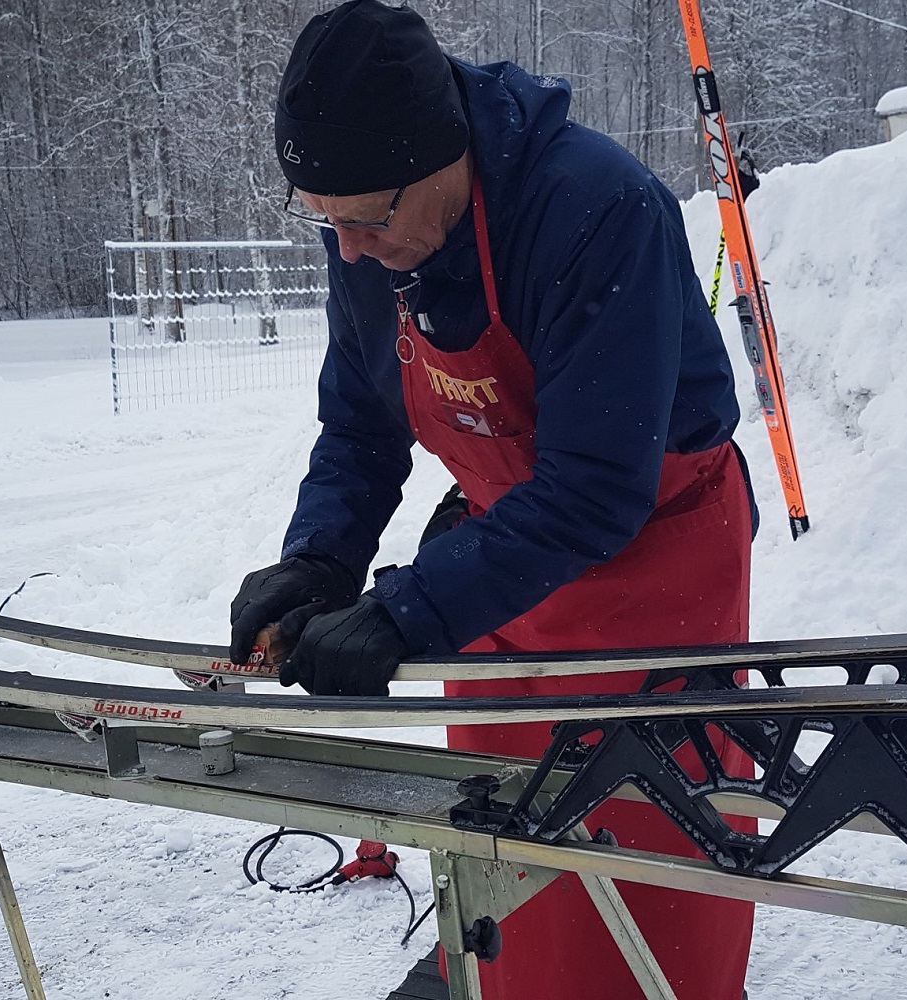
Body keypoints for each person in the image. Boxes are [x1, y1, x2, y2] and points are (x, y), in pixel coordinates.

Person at [228, 2, 757, 998]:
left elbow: (597, 489)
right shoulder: (371, 230)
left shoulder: (598, 211)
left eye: (366, 217)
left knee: (638, 848)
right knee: (495, 828)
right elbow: (361, 425)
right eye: (321, 217)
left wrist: (403, 610)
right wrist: (322, 558)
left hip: (651, 568)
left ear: (446, 156)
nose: (344, 249)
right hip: (499, 576)